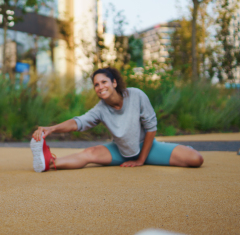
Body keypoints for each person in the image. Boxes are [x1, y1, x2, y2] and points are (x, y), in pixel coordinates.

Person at [29, 67, 204, 172]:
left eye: (104, 82)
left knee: (195, 159)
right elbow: (78, 122)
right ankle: (49, 163)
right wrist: (51, 129)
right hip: (121, 151)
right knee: (89, 153)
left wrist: (141, 160)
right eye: (96, 85)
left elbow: (151, 128)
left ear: (114, 83)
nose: (100, 87)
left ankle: (181, 149)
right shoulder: (100, 109)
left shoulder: (136, 95)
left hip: (148, 148)